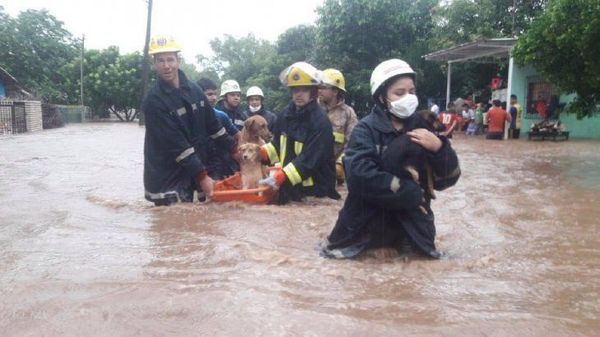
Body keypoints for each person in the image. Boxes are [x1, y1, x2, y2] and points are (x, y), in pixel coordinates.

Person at [322, 59, 460, 259]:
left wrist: (440, 149)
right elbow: (359, 178)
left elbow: (448, 179)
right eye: (399, 93)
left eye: (412, 91)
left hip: (413, 235)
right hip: (362, 235)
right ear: (381, 97)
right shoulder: (365, 130)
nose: (408, 97)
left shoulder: (425, 128)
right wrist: (408, 191)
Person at [141, 36, 237, 205]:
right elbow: (177, 145)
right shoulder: (154, 101)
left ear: (179, 60)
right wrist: (203, 177)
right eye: (160, 61)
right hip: (167, 176)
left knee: (200, 224)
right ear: (154, 64)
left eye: (170, 59)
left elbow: (213, 126)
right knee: (173, 224)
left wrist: (235, 150)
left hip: (193, 168)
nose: (166, 66)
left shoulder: (194, 90)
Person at [258, 62, 340, 204]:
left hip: (316, 193)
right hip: (291, 188)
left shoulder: (320, 122)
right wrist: (259, 153)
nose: (298, 94)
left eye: (304, 90)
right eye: (295, 90)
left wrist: (280, 177)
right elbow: (277, 146)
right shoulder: (285, 115)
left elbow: (309, 160)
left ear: (313, 92)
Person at [318, 68, 358, 184]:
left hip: (338, 176)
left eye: (323, 87)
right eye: (318, 87)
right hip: (314, 172)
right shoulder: (313, 111)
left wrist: (340, 164)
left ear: (335, 91)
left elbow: (353, 143)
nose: (319, 91)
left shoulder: (348, 113)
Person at [197, 78, 241, 179]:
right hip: (199, 167)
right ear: (198, 94)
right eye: (209, 94)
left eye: (215, 94)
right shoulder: (189, 118)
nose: (213, 98)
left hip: (222, 166)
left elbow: (239, 136)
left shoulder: (221, 116)